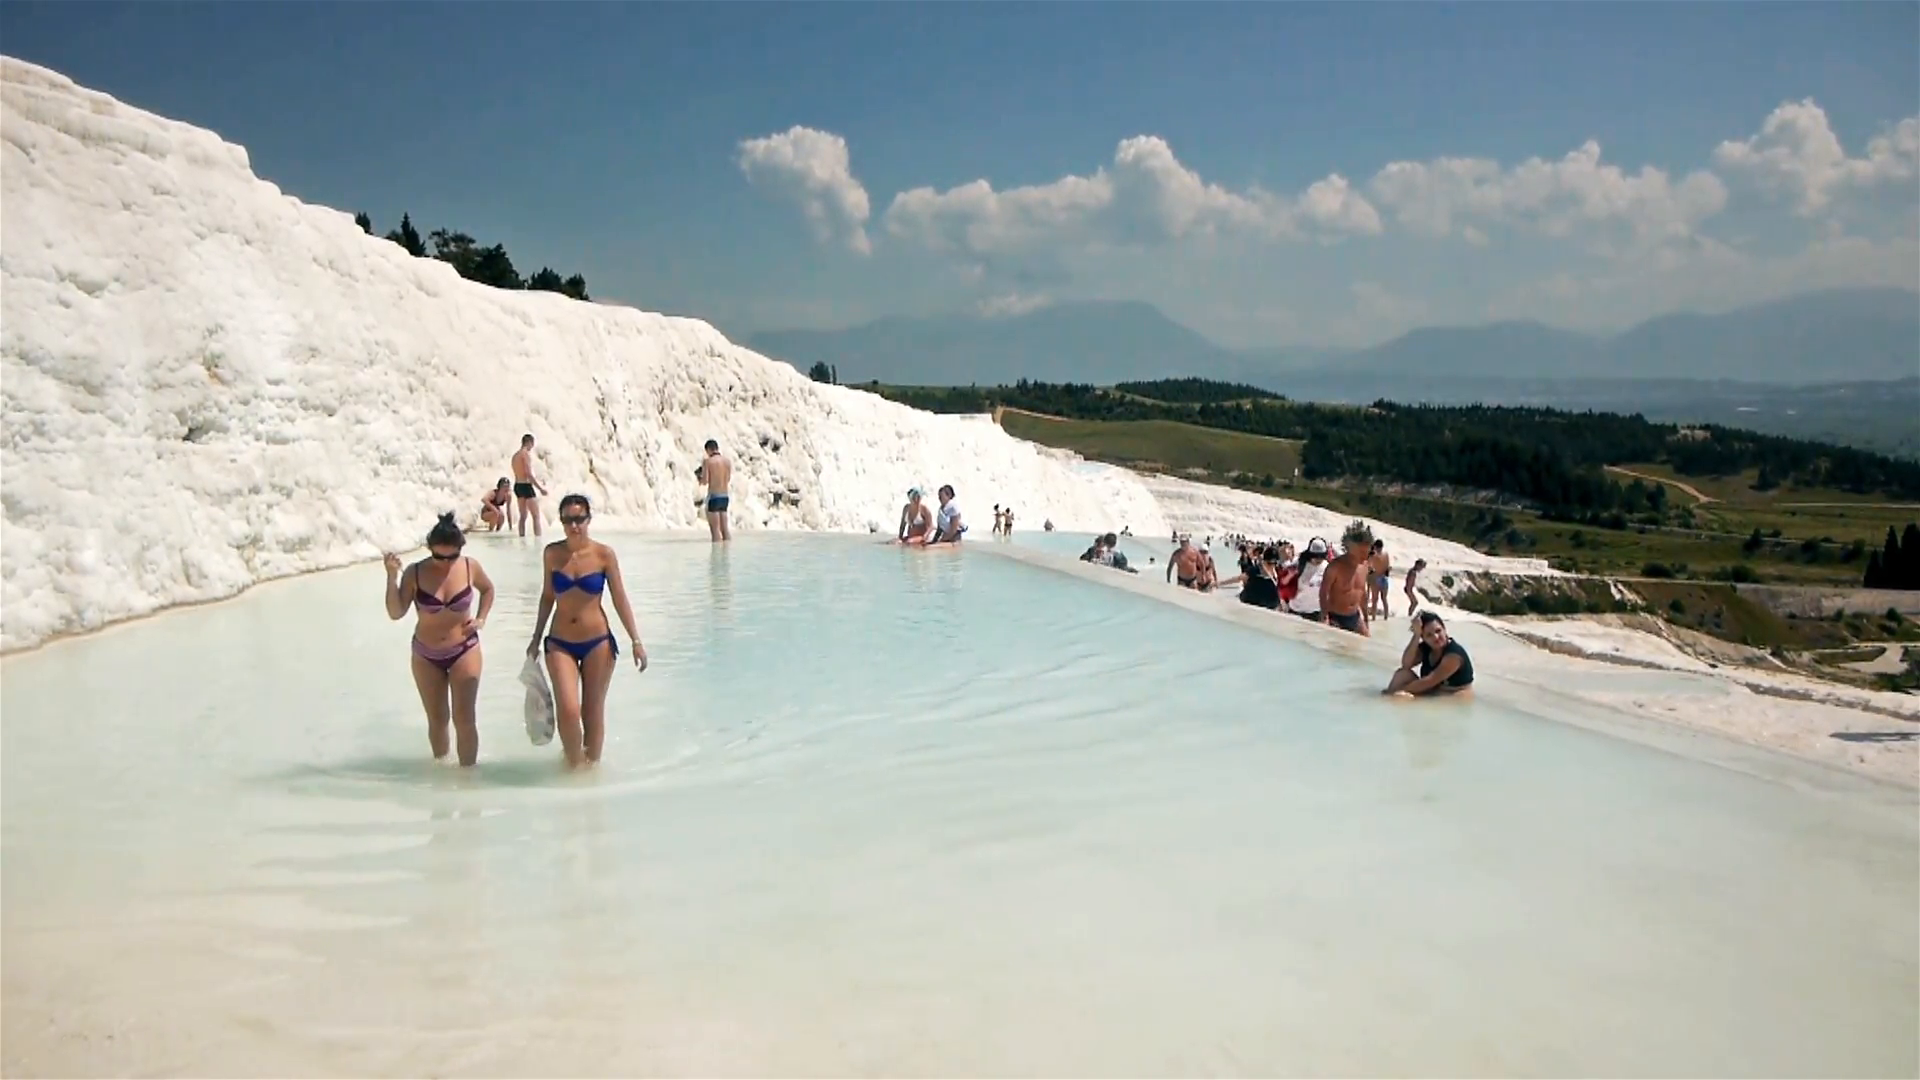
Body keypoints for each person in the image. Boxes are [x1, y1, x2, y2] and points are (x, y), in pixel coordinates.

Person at [526, 494, 649, 768]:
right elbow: (547, 597)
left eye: (579, 519)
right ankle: (574, 768)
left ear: (588, 519)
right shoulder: (552, 554)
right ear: (561, 522)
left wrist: (636, 640)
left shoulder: (604, 555)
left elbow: (619, 598)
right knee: (568, 710)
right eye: (568, 520)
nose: (574, 525)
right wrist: (535, 638)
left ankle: (591, 770)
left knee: (592, 711)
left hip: (598, 642)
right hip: (560, 642)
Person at [383, 514, 496, 767]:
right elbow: (396, 612)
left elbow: (488, 589)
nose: (446, 563)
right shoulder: (415, 572)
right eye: (439, 557)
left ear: (460, 549)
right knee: (437, 719)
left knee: (464, 718)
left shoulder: (469, 567)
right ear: (429, 549)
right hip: (426, 654)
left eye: (451, 557)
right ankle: (442, 771)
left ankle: (468, 775)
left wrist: (481, 618)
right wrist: (391, 577)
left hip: (464, 649)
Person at [1384, 612, 1475, 698]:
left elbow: (1430, 681)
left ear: (1445, 629)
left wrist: (1395, 692)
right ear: (1423, 638)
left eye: (1438, 631)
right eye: (1429, 635)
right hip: (1433, 690)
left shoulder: (1454, 655)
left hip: (1452, 696)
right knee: (1402, 675)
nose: (1436, 637)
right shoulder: (1427, 648)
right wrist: (1416, 635)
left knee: (1402, 697)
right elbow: (1406, 665)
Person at [1320, 520, 1374, 636]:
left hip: (1354, 617)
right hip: (1335, 617)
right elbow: (1324, 593)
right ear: (1350, 548)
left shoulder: (1364, 567)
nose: (1365, 556)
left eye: (1367, 552)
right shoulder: (1335, 567)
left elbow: (1362, 593)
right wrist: (1325, 617)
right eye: (1362, 552)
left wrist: (1366, 618)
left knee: (1367, 642)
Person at [511, 434, 549, 537]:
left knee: (523, 516)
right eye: (532, 444)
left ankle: (521, 538)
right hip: (526, 486)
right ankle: (538, 539)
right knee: (535, 515)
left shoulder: (515, 456)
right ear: (529, 442)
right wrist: (540, 489)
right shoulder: (525, 455)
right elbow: (528, 474)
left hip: (518, 485)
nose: (532, 447)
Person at [699, 439, 732, 543]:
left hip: (714, 497)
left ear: (708, 450)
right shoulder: (727, 461)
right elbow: (728, 479)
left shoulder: (708, 462)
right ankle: (727, 551)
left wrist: (700, 478)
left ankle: (716, 553)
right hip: (725, 496)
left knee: (715, 531)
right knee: (725, 530)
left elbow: (705, 481)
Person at [1369, 539, 1393, 619]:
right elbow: (1388, 566)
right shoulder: (1386, 554)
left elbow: (1369, 566)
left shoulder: (1373, 555)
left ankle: (1373, 617)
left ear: (1375, 546)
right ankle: (1386, 617)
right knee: (1384, 599)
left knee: (1375, 599)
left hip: (1376, 577)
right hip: (1384, 578)